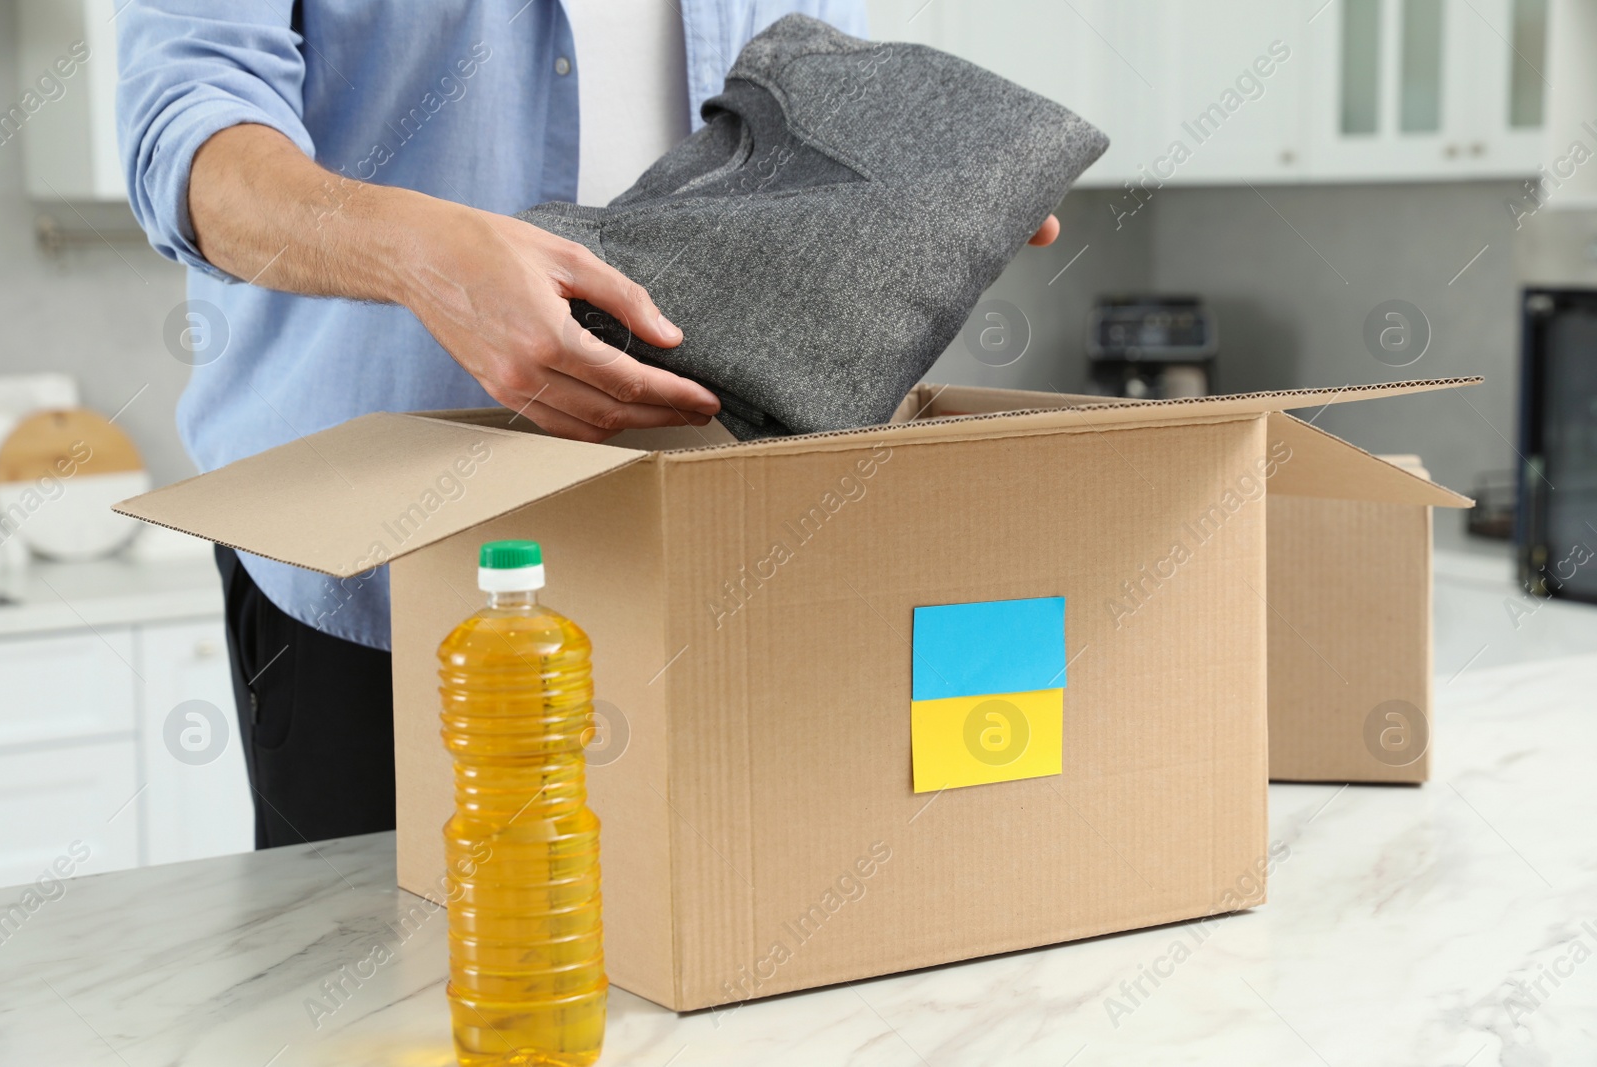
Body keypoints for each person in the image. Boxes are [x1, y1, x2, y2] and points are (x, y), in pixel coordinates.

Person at [117, 1, 1063, 850]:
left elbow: (832, 93)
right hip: (373, 567)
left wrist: (932, 190)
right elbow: (190, 146)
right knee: (378, 1006)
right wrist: (424, 257)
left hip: (708, 556)